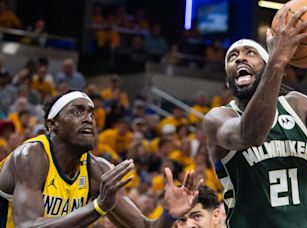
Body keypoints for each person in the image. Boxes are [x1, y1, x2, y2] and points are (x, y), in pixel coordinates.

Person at [202, 6, 307, 228]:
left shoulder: (297, 105)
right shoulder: (218, 118)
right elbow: (251, 134)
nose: (239, 59)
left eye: (250, 53)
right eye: (232, 57)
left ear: (265, 67)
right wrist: (278, 60)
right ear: (228, 81)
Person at [0, 90, 202, 227]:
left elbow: (144, 226)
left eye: (92, 113)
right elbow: (27, 226)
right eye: (77, 111)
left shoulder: (98, 170)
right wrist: (98, 206)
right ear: (52, 124)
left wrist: (169, 215)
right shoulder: (31, 156)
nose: (88, 118)